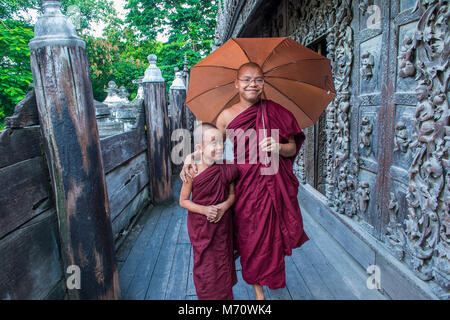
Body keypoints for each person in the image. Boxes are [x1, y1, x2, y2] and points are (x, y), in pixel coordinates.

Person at [180, 62, 309, 300]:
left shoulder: (276, 111)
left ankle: (260, 293)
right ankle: (256, 287)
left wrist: (279, 147)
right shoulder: (226, 116)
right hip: (240, 183)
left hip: (270, 183)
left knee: (268, 237)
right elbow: (211, 145)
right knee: (248, 236)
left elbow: (292, 147)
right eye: (247, 79)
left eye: (258, 79)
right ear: (236, 84)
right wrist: (191, 155)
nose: (253, 84)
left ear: (263, 84)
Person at [179, 122, 240, 300]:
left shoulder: (226, 168)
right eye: (213, 142)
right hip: (202, 229)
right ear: (199, 148)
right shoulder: (193, 170)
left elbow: (232, 195)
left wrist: (224, 207)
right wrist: (205, 210)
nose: (219, 146)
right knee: (206, 269)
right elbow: (183, 201)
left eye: (221, 142)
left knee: (223, 265)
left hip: (222, 227)